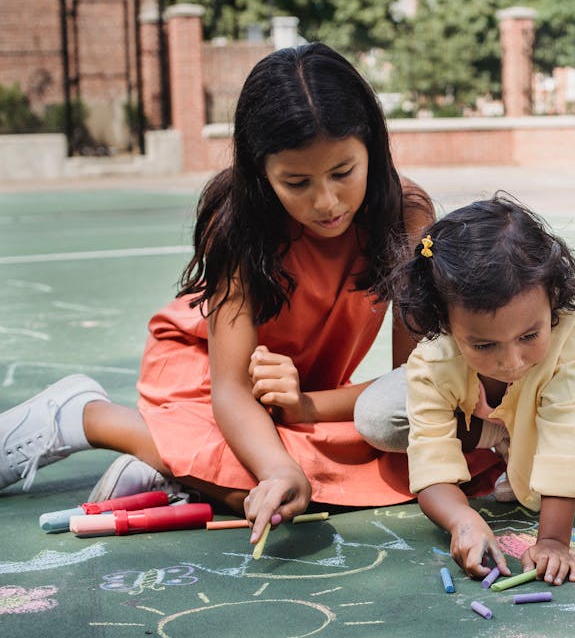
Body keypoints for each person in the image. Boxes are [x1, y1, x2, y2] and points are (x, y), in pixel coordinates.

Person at [0, 43, 440, 544]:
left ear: (373, 150)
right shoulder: (236, 221)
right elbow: (230, 389)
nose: (326, 202)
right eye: (297, 182)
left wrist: (306, 409)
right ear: (261, 173)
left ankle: (178, 468)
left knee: (414, 459)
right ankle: (89, 418)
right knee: (288, 488)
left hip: (297, 392)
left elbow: (412, 384)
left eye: (343, 172)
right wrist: (277, 469)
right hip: (203, 373)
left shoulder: (406, 217)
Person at [355, 193, 575, 586]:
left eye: (529, 335)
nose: (511, 362)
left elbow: (564, 445)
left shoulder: (571, 333)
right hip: (478, 403)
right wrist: (463, 520)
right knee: (379, 417)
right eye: (484, 345)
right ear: (445, 322)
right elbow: (432, 465)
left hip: (565, 391)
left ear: (553, 300)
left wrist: (554, 541)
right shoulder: (433, 361)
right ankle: (501, 430)